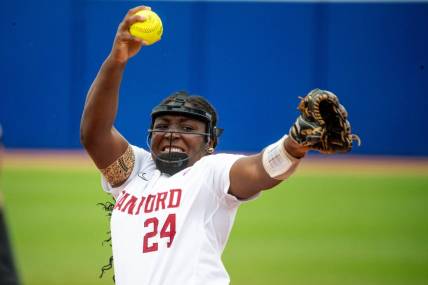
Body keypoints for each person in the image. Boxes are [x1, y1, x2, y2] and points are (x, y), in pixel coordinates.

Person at [80, 5, 322, 285]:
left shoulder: (210, 172)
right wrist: (117, 59)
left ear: (210, 143)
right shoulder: (135, 172)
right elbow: (94, 134)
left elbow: (259, 170)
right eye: (163, 125)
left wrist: (294, 146)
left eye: (187, 128)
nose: (171, 133)